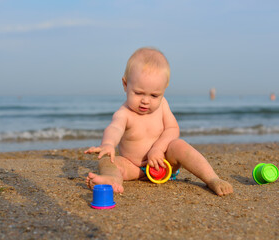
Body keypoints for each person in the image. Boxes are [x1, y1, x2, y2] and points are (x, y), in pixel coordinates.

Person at [85, 47, 233, 196]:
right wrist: (108, 144)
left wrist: (158, 149)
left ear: (164, 89)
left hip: (165, 164)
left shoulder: (163, 105)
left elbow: (172, 129)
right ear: (125, 84)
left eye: (154, 95)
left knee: (179, 145)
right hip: (134, 168)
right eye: (138, 93)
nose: (145, 101)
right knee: (107, 160)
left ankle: (212, 178)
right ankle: (113, 180)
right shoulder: (124, 113)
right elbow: (115, 128)